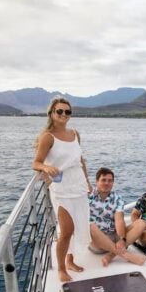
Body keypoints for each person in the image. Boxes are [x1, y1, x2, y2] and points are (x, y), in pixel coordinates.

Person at [32, 97, 91, 282]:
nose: (64, 114)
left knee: (78, 224)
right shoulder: (47, 136)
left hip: (79, 185)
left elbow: (80, 161)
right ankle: (61, 269)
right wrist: (45, 168)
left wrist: (88, 181)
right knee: (66, 230)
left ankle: (70, 260)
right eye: (60, 111)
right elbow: (36, 162)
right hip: (61, 187)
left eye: (67, 111)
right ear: (51, 113)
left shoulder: (75, 134)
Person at [88, 167, 146, 266]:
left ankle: (111, 255)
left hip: (113, 237)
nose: (107, 183)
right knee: (90, 226)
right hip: (97, 241)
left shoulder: (117, 198)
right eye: (103, 180)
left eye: (110, 181)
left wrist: (122, 239)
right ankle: (126, 255)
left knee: (142, 223)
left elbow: (119, 220)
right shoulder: (88, 196)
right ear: (97, 181)